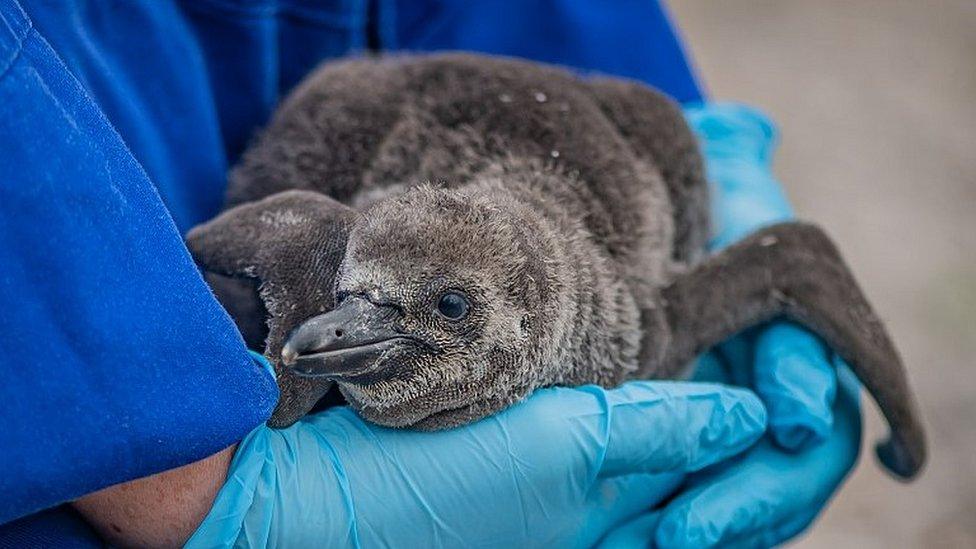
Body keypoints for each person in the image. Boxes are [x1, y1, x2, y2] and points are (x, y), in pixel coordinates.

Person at [0, 1, 861, 546]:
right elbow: (290, 233)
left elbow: (788, 257)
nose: (335, 326)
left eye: (449, 310)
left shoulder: (636, 317)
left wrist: (695, 160)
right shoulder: (325, 265)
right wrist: (176, 475)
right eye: (347, 297)